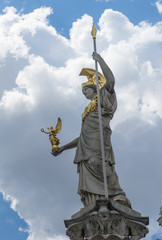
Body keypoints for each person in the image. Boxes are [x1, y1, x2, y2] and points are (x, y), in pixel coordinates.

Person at [52, 52, 131, 208]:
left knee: (98, 163)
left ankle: (117, 194)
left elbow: (111, 81)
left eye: (85, 90)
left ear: (94, 88)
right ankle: (95, 201)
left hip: (100, 139)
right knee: (90, 166)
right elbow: (82, 137)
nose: (84, 93)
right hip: (86, 146)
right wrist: (62, 148)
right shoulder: (87, 110)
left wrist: (100, 60)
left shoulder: (102, 99)